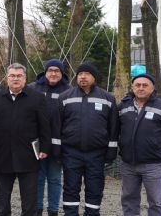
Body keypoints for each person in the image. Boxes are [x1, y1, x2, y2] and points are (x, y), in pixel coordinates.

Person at [52, 62, 119, 216]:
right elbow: (56, 126)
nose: (83, 77)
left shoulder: (108, 98)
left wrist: (111, 151)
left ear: (94, 77)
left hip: (97, 154)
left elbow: (113, 127)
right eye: (80, 74)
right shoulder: (64, 97)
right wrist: (57, 149)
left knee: (95, 188)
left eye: (87, 74)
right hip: (71, 153)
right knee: (70, 187)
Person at [0, 63, 50, 216]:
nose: (15, 79)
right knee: (2, 202)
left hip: (28, 155)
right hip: (3, 155)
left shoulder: (37, 98)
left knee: (29, 202)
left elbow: (44, 125)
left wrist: (45, 148)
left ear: (25, 78)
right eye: (12, 76)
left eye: (19, 76)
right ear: (7, 78)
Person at [118, 73, 161, 216]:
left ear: (152, 88)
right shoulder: (123, 106)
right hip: (128, 164)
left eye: (145, 85)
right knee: (128, 200)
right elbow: (116, 129)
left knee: (155, 202)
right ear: (132, 88)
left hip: (153, 165)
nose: (141, 88)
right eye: (137, 85)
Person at [28, 59, 71, 216]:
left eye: (57, 71)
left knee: (55, 178)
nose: (53, 73)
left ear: (62, 73)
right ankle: (37, 209)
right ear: (45, 72)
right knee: (38, 178)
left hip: (58, 143)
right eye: (50, 70)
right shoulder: (33, 88)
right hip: (37, 142)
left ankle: (53, 210)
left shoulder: (69, 91)